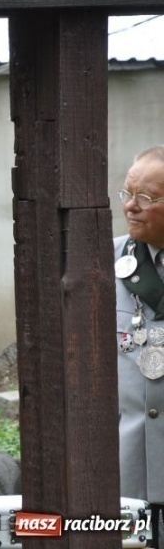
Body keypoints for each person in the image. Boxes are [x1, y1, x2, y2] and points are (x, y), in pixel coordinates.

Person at [116, 145, 164, 531]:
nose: (130, 206)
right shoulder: (101, 262)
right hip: (127, 464)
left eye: (146, 197)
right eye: (127, 193)